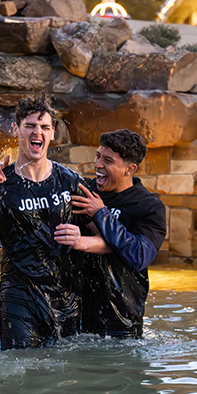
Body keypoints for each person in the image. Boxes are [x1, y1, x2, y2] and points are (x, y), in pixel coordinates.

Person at [0, 93, 89, 350]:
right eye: (30, 125)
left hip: (67, 302)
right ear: (16, 129)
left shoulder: (70, 182)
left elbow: (107, 237)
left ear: (53, 133)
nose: (38, 132)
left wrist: (83, 240)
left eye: (45, 127)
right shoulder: (1, 185)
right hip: (20, 306)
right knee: (23, 380)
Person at [54, 129, 166, 338]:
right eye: (97, 156)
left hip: (121, 325)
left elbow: (139, 255)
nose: (97, 165)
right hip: (73, 319)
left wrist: (100, 214)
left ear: (129, 169)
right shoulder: (83, 191)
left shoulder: (149, 207)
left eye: (108, 160)